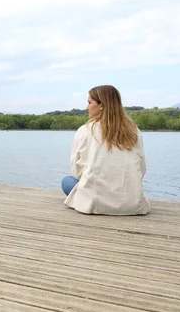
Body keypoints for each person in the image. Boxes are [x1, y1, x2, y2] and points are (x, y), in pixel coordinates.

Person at [62, 85, 150, 215]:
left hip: (95, 204)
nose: (87, 107)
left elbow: (77, 171)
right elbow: (141, 170)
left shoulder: (85, 130)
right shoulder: (134, 131)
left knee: (67, 181)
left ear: (101, 105)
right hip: (132, 205)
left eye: (89, 102)